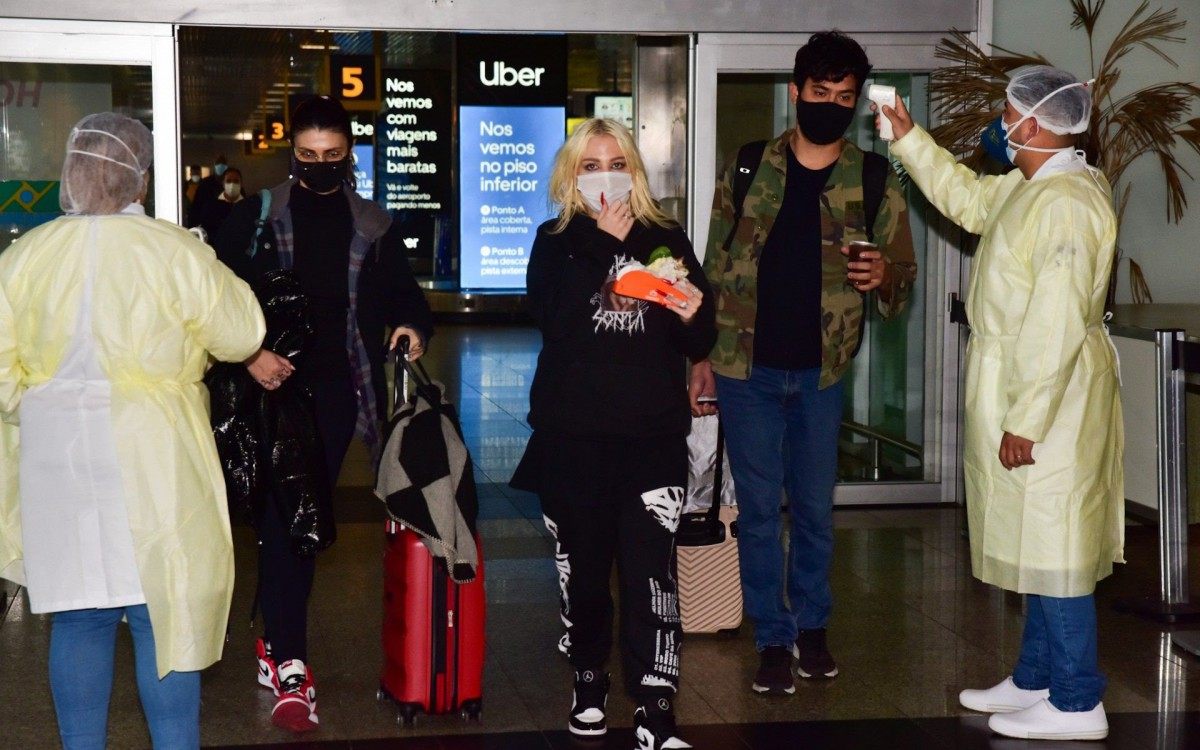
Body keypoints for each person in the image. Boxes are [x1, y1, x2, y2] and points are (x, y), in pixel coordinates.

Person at [0, 113, 266, 749]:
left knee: (81, 616)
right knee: (161, 615)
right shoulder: (173, 250)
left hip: (58, 450)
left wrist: (40, 403)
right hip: (153, 448)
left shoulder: (26, 256)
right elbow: (242, 333)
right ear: (139, 176)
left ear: (71, 173)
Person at [880, 65, 1121, 742]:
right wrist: (908, 138)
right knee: (1036, 543)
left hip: (1051, 394)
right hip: (1021, 378)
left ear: (1035, 124)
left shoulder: (1068, 201)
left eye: (1009, 114)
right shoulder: (1033, 184)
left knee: (1059, 545)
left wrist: (1026, 420)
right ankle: (1035, 677)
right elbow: (969, 199)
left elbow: (1058, 321)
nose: (1002, 124)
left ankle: (1078, 703)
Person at [689, 31, 917, 695]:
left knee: (815, 509)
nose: (833, 105)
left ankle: (812, 627)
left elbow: (903, 282)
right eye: (821, 94)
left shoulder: (875, 178)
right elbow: (711, 271)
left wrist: (884, 278)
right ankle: (772, 635)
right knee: (760, 511)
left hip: (822, 373)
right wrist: (698, 358)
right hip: (744, 368)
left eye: (845, 97)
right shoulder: (747, 165)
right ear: (795, 93)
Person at [214, 95, 433, 733]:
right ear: (292, 156)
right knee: (290, 516)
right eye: (307, 157)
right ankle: (290, 663)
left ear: (349, 155)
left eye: (331, 157)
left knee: (299, 516)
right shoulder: (257, 215)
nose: (318, 167)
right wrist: (251, 352)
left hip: (340, 390)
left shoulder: (372, 222)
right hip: (268, 386)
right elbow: (216, 297)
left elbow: (405, 297)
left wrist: (411, 330)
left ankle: (276, 645)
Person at [510, 118, 715, 750]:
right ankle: (590, 680)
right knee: (586, 569)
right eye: (590, 164)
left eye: (616, 160)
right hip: (574, 437)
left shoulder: (667, 238)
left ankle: (657, 704)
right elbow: (553, 321)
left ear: (636, 167)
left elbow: (698, 338)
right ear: (570, 176)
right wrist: (600, 245)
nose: (605, 175)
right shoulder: (556, 240)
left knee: (654, 570)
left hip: (651, 435)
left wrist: (690, 315)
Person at [197, 166, 244, 243]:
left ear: (241, 184)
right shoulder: (210, 207)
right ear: (223, 183)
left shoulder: (248, 207)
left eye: (236, 181)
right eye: (228, 181)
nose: (232, 184)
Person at [187, 153, 228, 228]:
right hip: (207, 224)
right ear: (214, 166)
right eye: (219, 164)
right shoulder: (206, 183)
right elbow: (196, 206)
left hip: (225, 223)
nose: (221, 166)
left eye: (223, 164)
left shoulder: (230, 183)